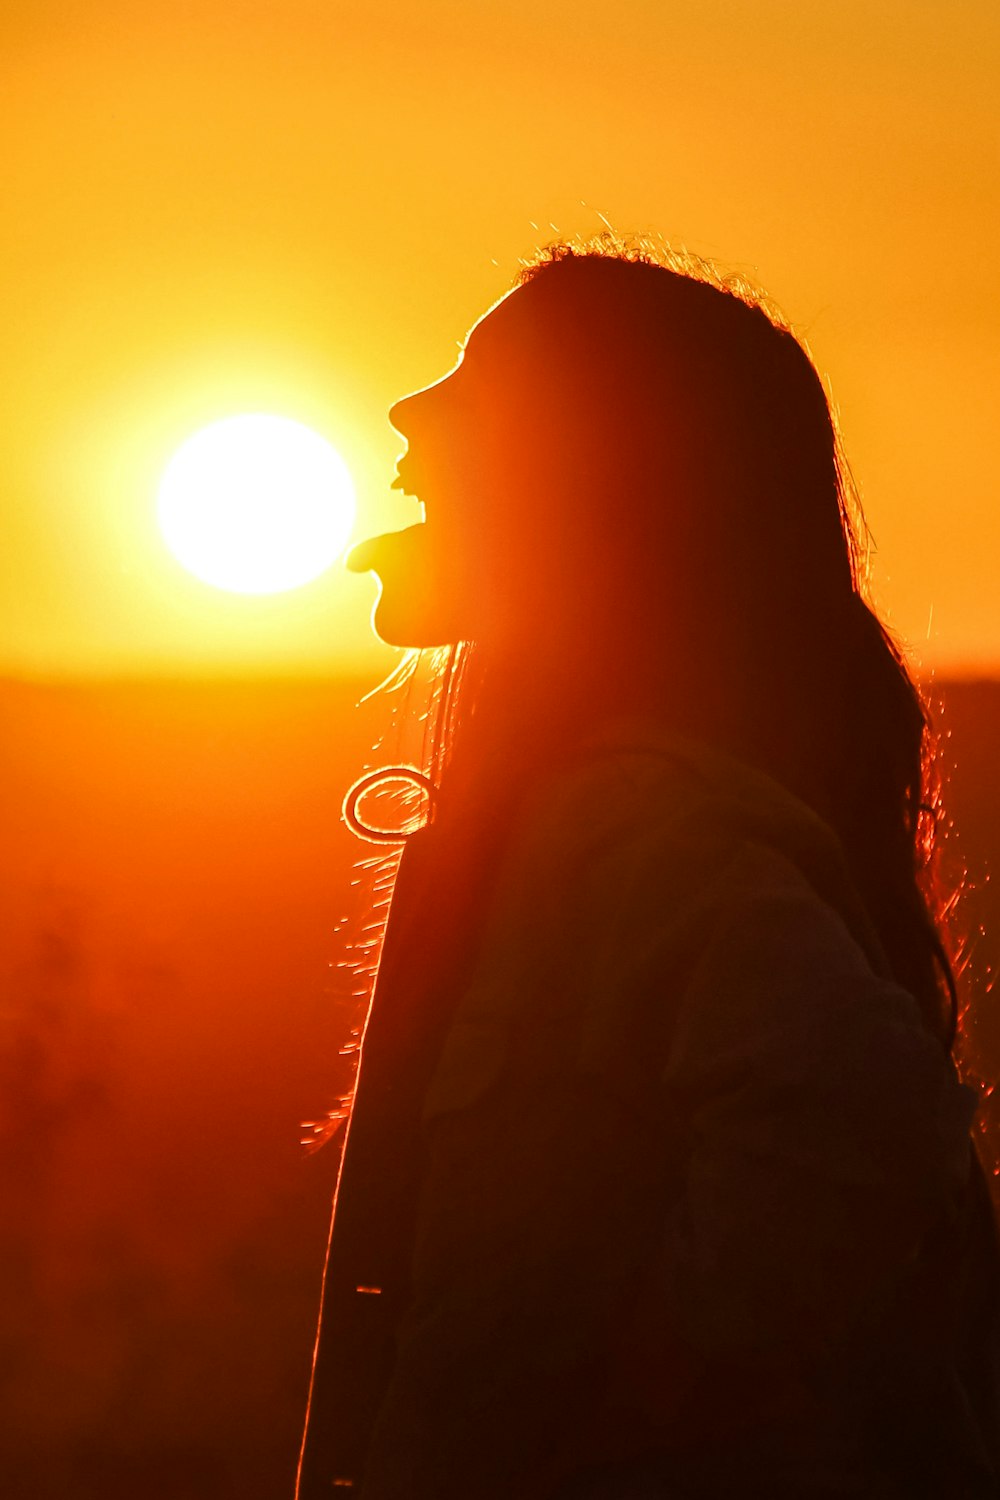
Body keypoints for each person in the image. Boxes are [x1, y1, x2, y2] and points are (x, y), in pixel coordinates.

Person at [295, 243, 1000, 1498]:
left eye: (474, 387)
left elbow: (865, 1125)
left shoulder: (635, 823)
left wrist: (616, 1418)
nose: (410, 416)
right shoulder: (589, 813)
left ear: (595, 487)